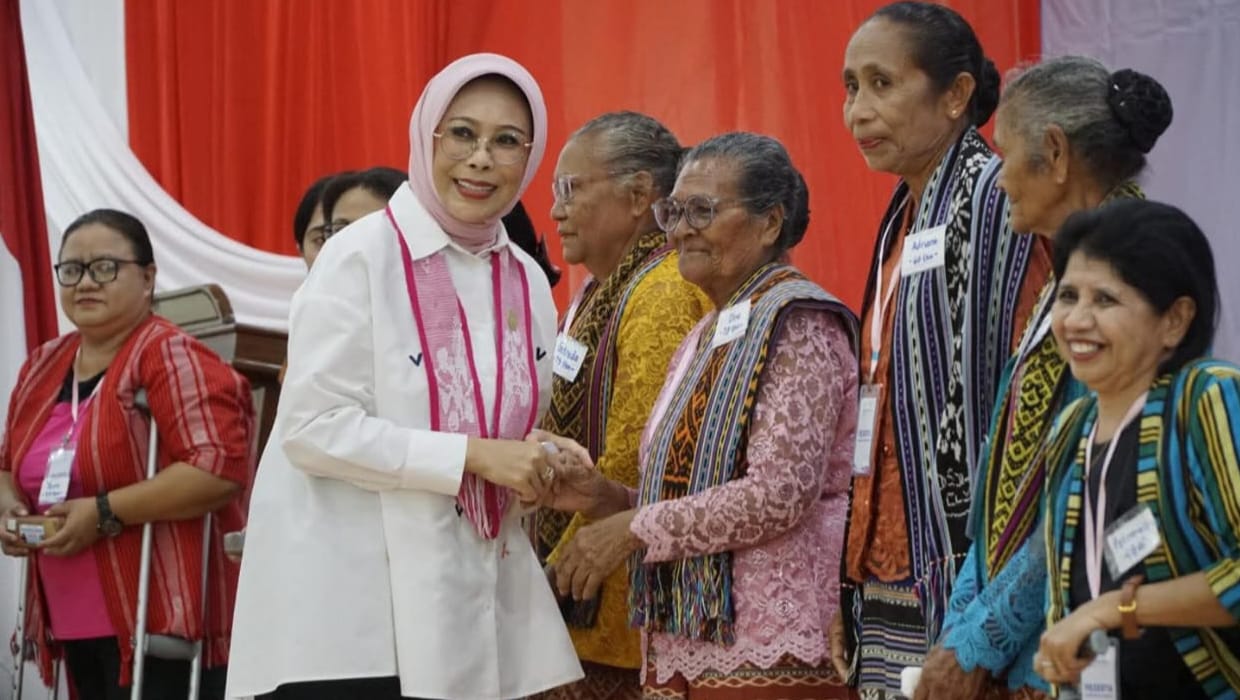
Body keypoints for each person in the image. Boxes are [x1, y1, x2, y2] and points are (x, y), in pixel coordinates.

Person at [225, 53, 582, 699]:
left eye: (507, 141)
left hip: (468, 604)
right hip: (351, 611)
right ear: (427, 136)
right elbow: (311, 429)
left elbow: (501, 427)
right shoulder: (359, 256)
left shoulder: (524, 279)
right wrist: (475, 455)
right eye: (463, 134)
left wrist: (540, 458)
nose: (481, 159)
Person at [540, 132, 858, 699]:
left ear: (769, 222)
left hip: (771, 644)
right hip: (691, 638)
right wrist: (604, 497)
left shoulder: (800, 326)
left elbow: (778, 494)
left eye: (702, 211)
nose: (681, 229)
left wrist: (633, 530)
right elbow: (688, 492)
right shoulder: (706, 332)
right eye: (675, 212)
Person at [919, 58, 1174, 700]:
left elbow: (1089, 497)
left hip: (1089, 643)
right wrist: (962, 628)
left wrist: (978, 640)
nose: (999, 177)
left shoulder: (1132, 275)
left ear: (1055, 154)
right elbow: (1005, 479)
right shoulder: (1072, 275)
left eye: (1006, 154)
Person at [832, 3, 1051, 697]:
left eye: (881, 83)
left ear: (956, 95)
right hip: (886, 570)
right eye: (850, 87)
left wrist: (987, 626)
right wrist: (849, 573)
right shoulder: (902, 213)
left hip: (969, 579)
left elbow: (1035, 411)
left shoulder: (1000, 202)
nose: (858, 111)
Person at [0, 209, 255, 698]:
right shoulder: (43, 365)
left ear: (148, 277)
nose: (85, 282)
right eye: (71, 269)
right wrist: (10, 509)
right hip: (69, 615)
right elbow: (7, 466)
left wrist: (102, 512)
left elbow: (216, 468)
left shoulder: (172, 354)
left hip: (158, 621)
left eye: (105, 267)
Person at [532, 111, 711, 699]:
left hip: (618, 604)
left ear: (638, 196)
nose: (555, 209)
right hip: (582, 594)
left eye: (570, 189)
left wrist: (544, 575)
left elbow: (636, 459)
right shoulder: (598, 289)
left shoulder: (663, 290)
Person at [1032, 200, 1240, 699]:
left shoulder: (1206, 397)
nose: (1076, 320)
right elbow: (1066, 598)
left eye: (1105, 300)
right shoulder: (1071, 427)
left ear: (1175, 320)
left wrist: (1113, 609)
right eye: (1067, 296)